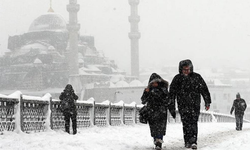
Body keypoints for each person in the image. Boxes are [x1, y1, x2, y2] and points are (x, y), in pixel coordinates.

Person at [169, 59, 211, 149]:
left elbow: (204, 90)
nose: (187, 71)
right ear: (181, 69)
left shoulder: (197, 77)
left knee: (193, 122)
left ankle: (193, 141)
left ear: (191, 68)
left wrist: (207, 102)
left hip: (195, 104)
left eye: (188, 69)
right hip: (182, 105)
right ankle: (187, 141)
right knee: (185, 123)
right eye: (185, 70)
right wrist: (171, 106)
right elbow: (171, 94)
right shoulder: (177, 79)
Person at [141, 73, 176, 150]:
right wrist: (146, 92)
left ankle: (158, 142)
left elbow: (168, 101)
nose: (154, 84)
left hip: (161, 112)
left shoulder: (163, 90)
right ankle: (156, 141)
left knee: (160, 128)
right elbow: (143, 101)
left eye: (156, 82)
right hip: (152, 112)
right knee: (154, 128)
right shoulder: (148, 90)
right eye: (153, 83)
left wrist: (172, 111)